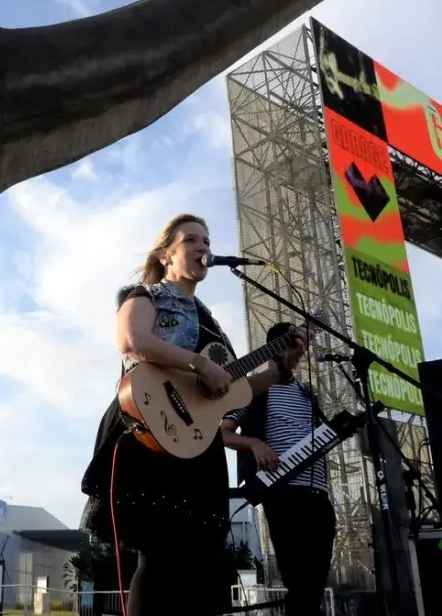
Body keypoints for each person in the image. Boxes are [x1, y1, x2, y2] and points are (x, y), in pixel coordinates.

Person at [80, 213, 289, 616]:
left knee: (204, 562)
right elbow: (131, 340)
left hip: (199, 443)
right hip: (151, 429)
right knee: (157, 558)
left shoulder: (212, 323)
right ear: (166, 254)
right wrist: (198, 363)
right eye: (192, 239)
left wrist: (280, 369)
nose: (204, 248)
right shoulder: (145, 294)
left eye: (207, 241)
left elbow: (234, 390)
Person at [221, 321, 333, 616]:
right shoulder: (254, 391)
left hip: (319, 495)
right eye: (292, 347)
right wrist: (255, 443)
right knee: (300, 583)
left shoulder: (307, 394)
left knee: (315, 585)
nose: (298, 355)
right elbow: (224, 433)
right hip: (284, 495)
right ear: (276, 349)